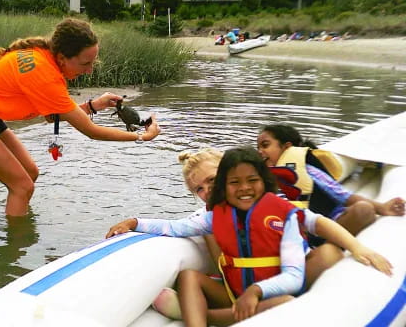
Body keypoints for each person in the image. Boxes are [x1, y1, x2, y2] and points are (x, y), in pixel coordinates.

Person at [106, 146, 392, 325]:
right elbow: (173, 228)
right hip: (237, 291)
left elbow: (316, 225)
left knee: (323, 259)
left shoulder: (276, 209)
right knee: (190, 277)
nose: (208, 189)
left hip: (280, 287)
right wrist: (134, 221)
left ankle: (208, 318)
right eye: (200, 189)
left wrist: (358, 248)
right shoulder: (210, 218)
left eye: (213, 179)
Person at [0, 18, 161, 217]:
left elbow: (52, 116)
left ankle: (13, 215)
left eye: (93, 62)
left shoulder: (45, 56)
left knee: (30, 173)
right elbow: (92, 132)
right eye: (85, 63)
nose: (90, 71)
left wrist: (94, 105)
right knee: (22, 186)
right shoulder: (45, 75)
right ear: (63, 57)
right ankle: (14, 249)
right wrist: (142, 137)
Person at [257, 124, 405, 240]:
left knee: (363, 210)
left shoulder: (306, 168)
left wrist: (381, 207)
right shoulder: (259, 177)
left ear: (287, 147)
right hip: (285, 227)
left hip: (324, 223)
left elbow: (341, 194)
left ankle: (332, 243)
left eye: (265, 145)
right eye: (258, 147)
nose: (260, 151)